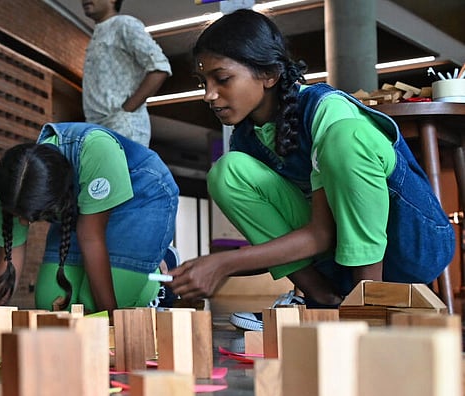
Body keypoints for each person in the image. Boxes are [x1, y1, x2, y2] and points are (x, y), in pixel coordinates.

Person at [168, 9, 454, 315]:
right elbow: (317, 236)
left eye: (222, 79)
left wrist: (224, 263)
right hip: (336, 265)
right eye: (203, 82)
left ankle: (368, 304)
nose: (209, 95)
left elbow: (322, 234)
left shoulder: (326, 109)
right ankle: (323, 297)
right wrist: (206, 266)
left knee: (347, 136)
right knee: (227, 173)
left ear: (269, 75)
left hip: (411, 246)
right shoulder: (246, 139)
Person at [0, 122, 180, 321]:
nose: (23, 221)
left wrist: (112, 321)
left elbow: (91, 239)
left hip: (141, 197)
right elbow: (8, 257)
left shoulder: (97, 150)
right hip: (79, 209)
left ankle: (158, 270)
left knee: (95, 306)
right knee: (51, 308)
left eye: (33, 217)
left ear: (54, 196)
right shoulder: (14, 189)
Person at [81, 0, 171, 147]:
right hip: (98, 128)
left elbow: (160, 67)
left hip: (122, 127)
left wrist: (126, 111)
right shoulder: (98, 33)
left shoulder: (124, 24)